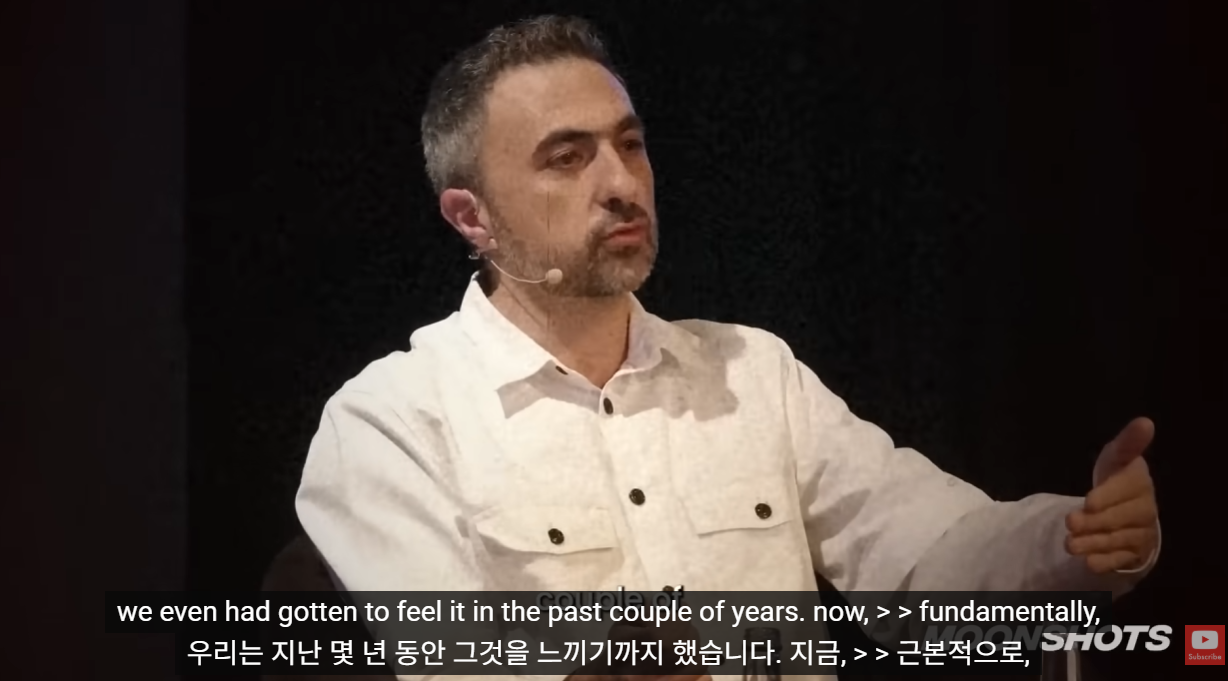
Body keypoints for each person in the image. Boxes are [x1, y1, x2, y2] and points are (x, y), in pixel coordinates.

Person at [295, 14, 1160, 680]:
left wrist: (1072, 538)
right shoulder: (392, 420)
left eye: (630, 144)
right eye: (567, 158)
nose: (621, 183)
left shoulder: (753, 373)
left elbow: (926, 557)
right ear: (472, 218)